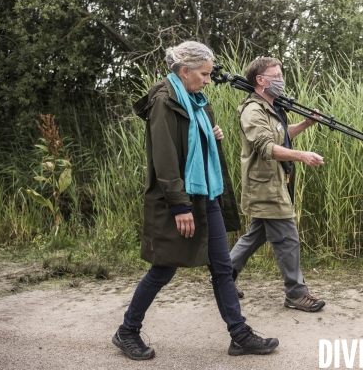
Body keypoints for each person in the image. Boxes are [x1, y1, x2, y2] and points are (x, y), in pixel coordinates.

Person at [112, 42, 279, 360]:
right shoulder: (164, 101)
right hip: (178, 200)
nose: (208, 79)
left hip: (207, 196)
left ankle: (239, 334)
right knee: (163, 269)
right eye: (203, 73)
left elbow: (191, 140)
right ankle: (127, 331)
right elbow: (165, 158)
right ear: (184, 71)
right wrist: (179, 206)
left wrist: (210, 133)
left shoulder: (196, 100)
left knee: (222, 268)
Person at [230, 57, 326, 312]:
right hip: (265, 185)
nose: (282, 81)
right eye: (277, 76)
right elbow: (265, 147)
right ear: (261, 80)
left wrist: (306, 124)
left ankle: (222, 278)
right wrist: (301, 155)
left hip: (273, 182)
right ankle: (296, 294)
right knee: (286, 237)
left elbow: (280, 136)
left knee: (256, 234)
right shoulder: (253, 110)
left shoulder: (269, 107)